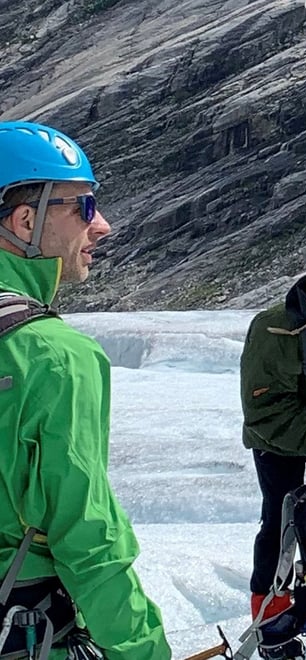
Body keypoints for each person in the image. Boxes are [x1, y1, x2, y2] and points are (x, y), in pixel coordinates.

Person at [0, 121, 171, 658]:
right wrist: (144, 650)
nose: (103, 226)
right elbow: (89, 541)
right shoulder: (55, 357)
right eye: (84, 206)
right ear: (26, 220)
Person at [240, 258, 306, 628]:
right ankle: (270, 613)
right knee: (280, 517)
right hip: (278, 434)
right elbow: (266, 409)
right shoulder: (272, 330)